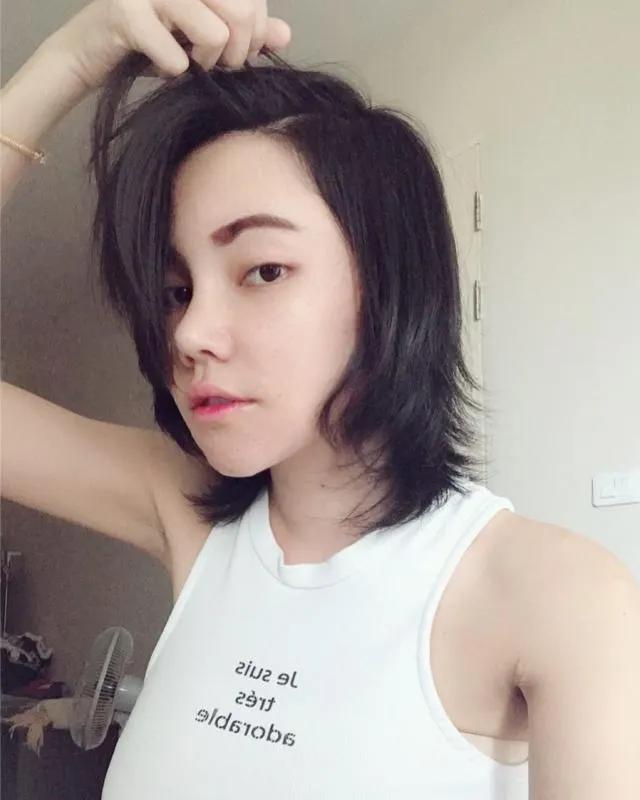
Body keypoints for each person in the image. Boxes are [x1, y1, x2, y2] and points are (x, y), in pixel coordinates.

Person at [1, 1, 639, 797]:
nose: (190, 331)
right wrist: (73, 56)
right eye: (174, 289)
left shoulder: (559, 594)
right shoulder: (186, 510)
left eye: (263, 270)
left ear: (389, 287)